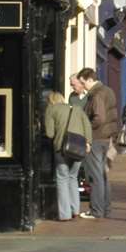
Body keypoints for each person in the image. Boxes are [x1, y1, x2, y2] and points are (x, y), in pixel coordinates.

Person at [75, 69, 119, 220]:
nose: (82, 86)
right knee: (102, 175)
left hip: (96, 138)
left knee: (95, 176)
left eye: (82, 82)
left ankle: (96, 210)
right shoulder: (108, 91)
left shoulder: (96, 94)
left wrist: (86, 128)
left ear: (89, 80)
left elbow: (99, 118)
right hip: (106, 138)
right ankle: (105, 208)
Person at [42, 91, 88, 222]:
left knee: (62, 178)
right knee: (73, 177)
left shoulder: (51, 110)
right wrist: (88, 142)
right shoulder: (76, 109)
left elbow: (50, 134)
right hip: (78, 149)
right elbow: (87, 127)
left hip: (62, 149)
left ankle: (65, 214)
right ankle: (76, 210)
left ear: (50, 101)